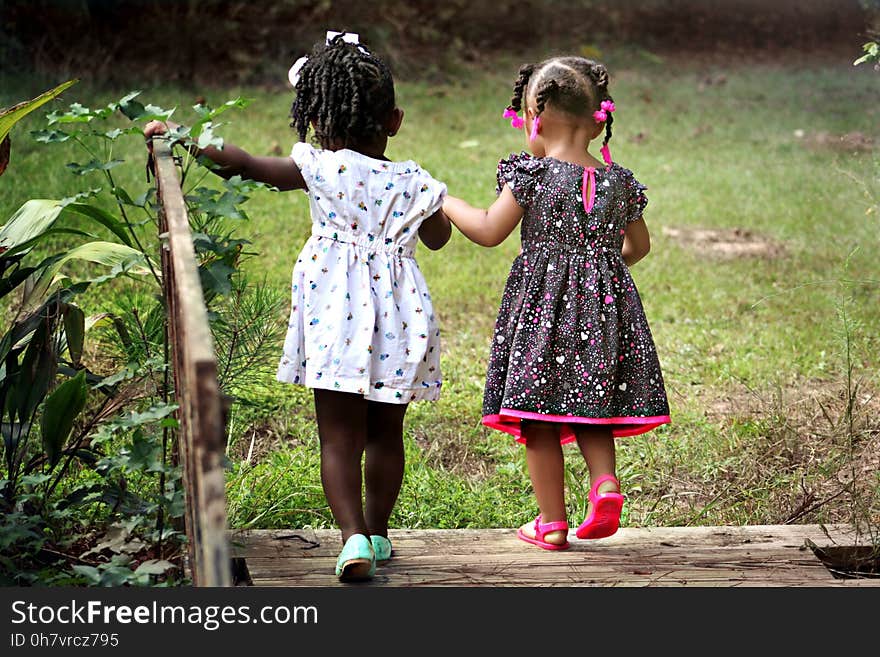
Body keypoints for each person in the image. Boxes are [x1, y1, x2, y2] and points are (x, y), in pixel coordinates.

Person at [145, 32, 451, 580]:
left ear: (314, 119)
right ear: (395, 121)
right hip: (402, 321)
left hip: (335, 315)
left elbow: (241, 164)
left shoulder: (318, 167)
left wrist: (182, 138)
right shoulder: (414, 180)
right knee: (387, 434)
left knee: (338, 438)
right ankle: (379, 535)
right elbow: (437, 239)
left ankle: (353, 537)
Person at [442, 56, 669, 550]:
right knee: (593, 405)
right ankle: (605, 484)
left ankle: (551, 522)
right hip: (603, 313)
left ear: (535, 119)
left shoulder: (533, 176)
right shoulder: (620, 182)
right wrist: (602, 272)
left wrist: (443, 200)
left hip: (542, 315)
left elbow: (487, 230)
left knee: (539, 416)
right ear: (598, 119)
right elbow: (639, 247)